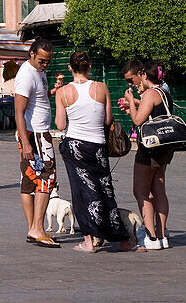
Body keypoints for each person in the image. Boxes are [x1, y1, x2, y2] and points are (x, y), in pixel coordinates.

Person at [56, 52, 134, 253]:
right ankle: (121, 238)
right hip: (98, 145)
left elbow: (60, 123)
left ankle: (88, 240)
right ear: (89, 66)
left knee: (81, 192)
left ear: (70, 67)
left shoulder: (63, 92)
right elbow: (108, 119)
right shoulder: (101, 87)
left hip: (75, 146)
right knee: (105, 189)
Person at [123, 60, 174, 251]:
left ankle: (151, 236)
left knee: (141, 191)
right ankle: (162, 236)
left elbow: (138, 120)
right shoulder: (164, 93)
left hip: (150, 148)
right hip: (165, 148)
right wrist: (134, 106)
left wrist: (130, 103)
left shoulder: (150, 93)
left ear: (144, 75)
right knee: (159, 190)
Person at [14, 37, 58, 248]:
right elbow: (19, 111)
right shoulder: (26, 75)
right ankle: (37, 228)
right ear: (32, 54)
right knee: (47, 177)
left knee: (29, 181)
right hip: (36, 135)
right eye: (42, 60)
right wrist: (26, 142)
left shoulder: (37, 72)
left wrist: (52, 92)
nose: (45, 64)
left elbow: (37, 99)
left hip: (35, 133)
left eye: (48, 61)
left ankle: (33, 228)